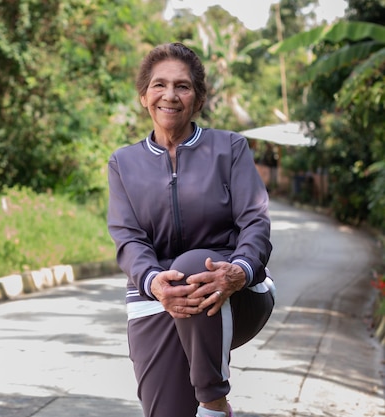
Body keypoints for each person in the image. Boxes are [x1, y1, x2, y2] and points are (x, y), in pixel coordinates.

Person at [107, 42, 276, 417]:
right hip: (156, 296)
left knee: (194, 262)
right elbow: (127, 237)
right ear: (143, 97)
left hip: (233, 289)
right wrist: (152, 282)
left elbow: (255, 220)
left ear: (198, 99)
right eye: (159, 85)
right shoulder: (123, 163)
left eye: (182, 86)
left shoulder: (229, 148)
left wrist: (242, 270)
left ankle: (213, 402)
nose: (170, 95)